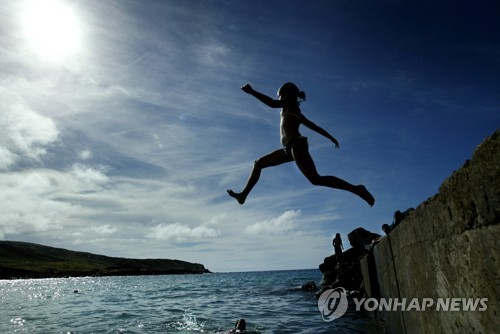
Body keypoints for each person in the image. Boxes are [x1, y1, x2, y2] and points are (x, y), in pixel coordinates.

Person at [227, 82, 375, 206]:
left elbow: (272, 104)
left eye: (280, 95)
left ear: (287, 94)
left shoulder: (290, 103)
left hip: (296, 145)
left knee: (315, 179)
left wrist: (252, 92)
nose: (279, 98)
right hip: (288, 149)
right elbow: (314, 126)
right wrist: (330, 137)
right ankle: (243, 195)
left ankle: (357, 189)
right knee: (258, 163)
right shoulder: (296, 111)